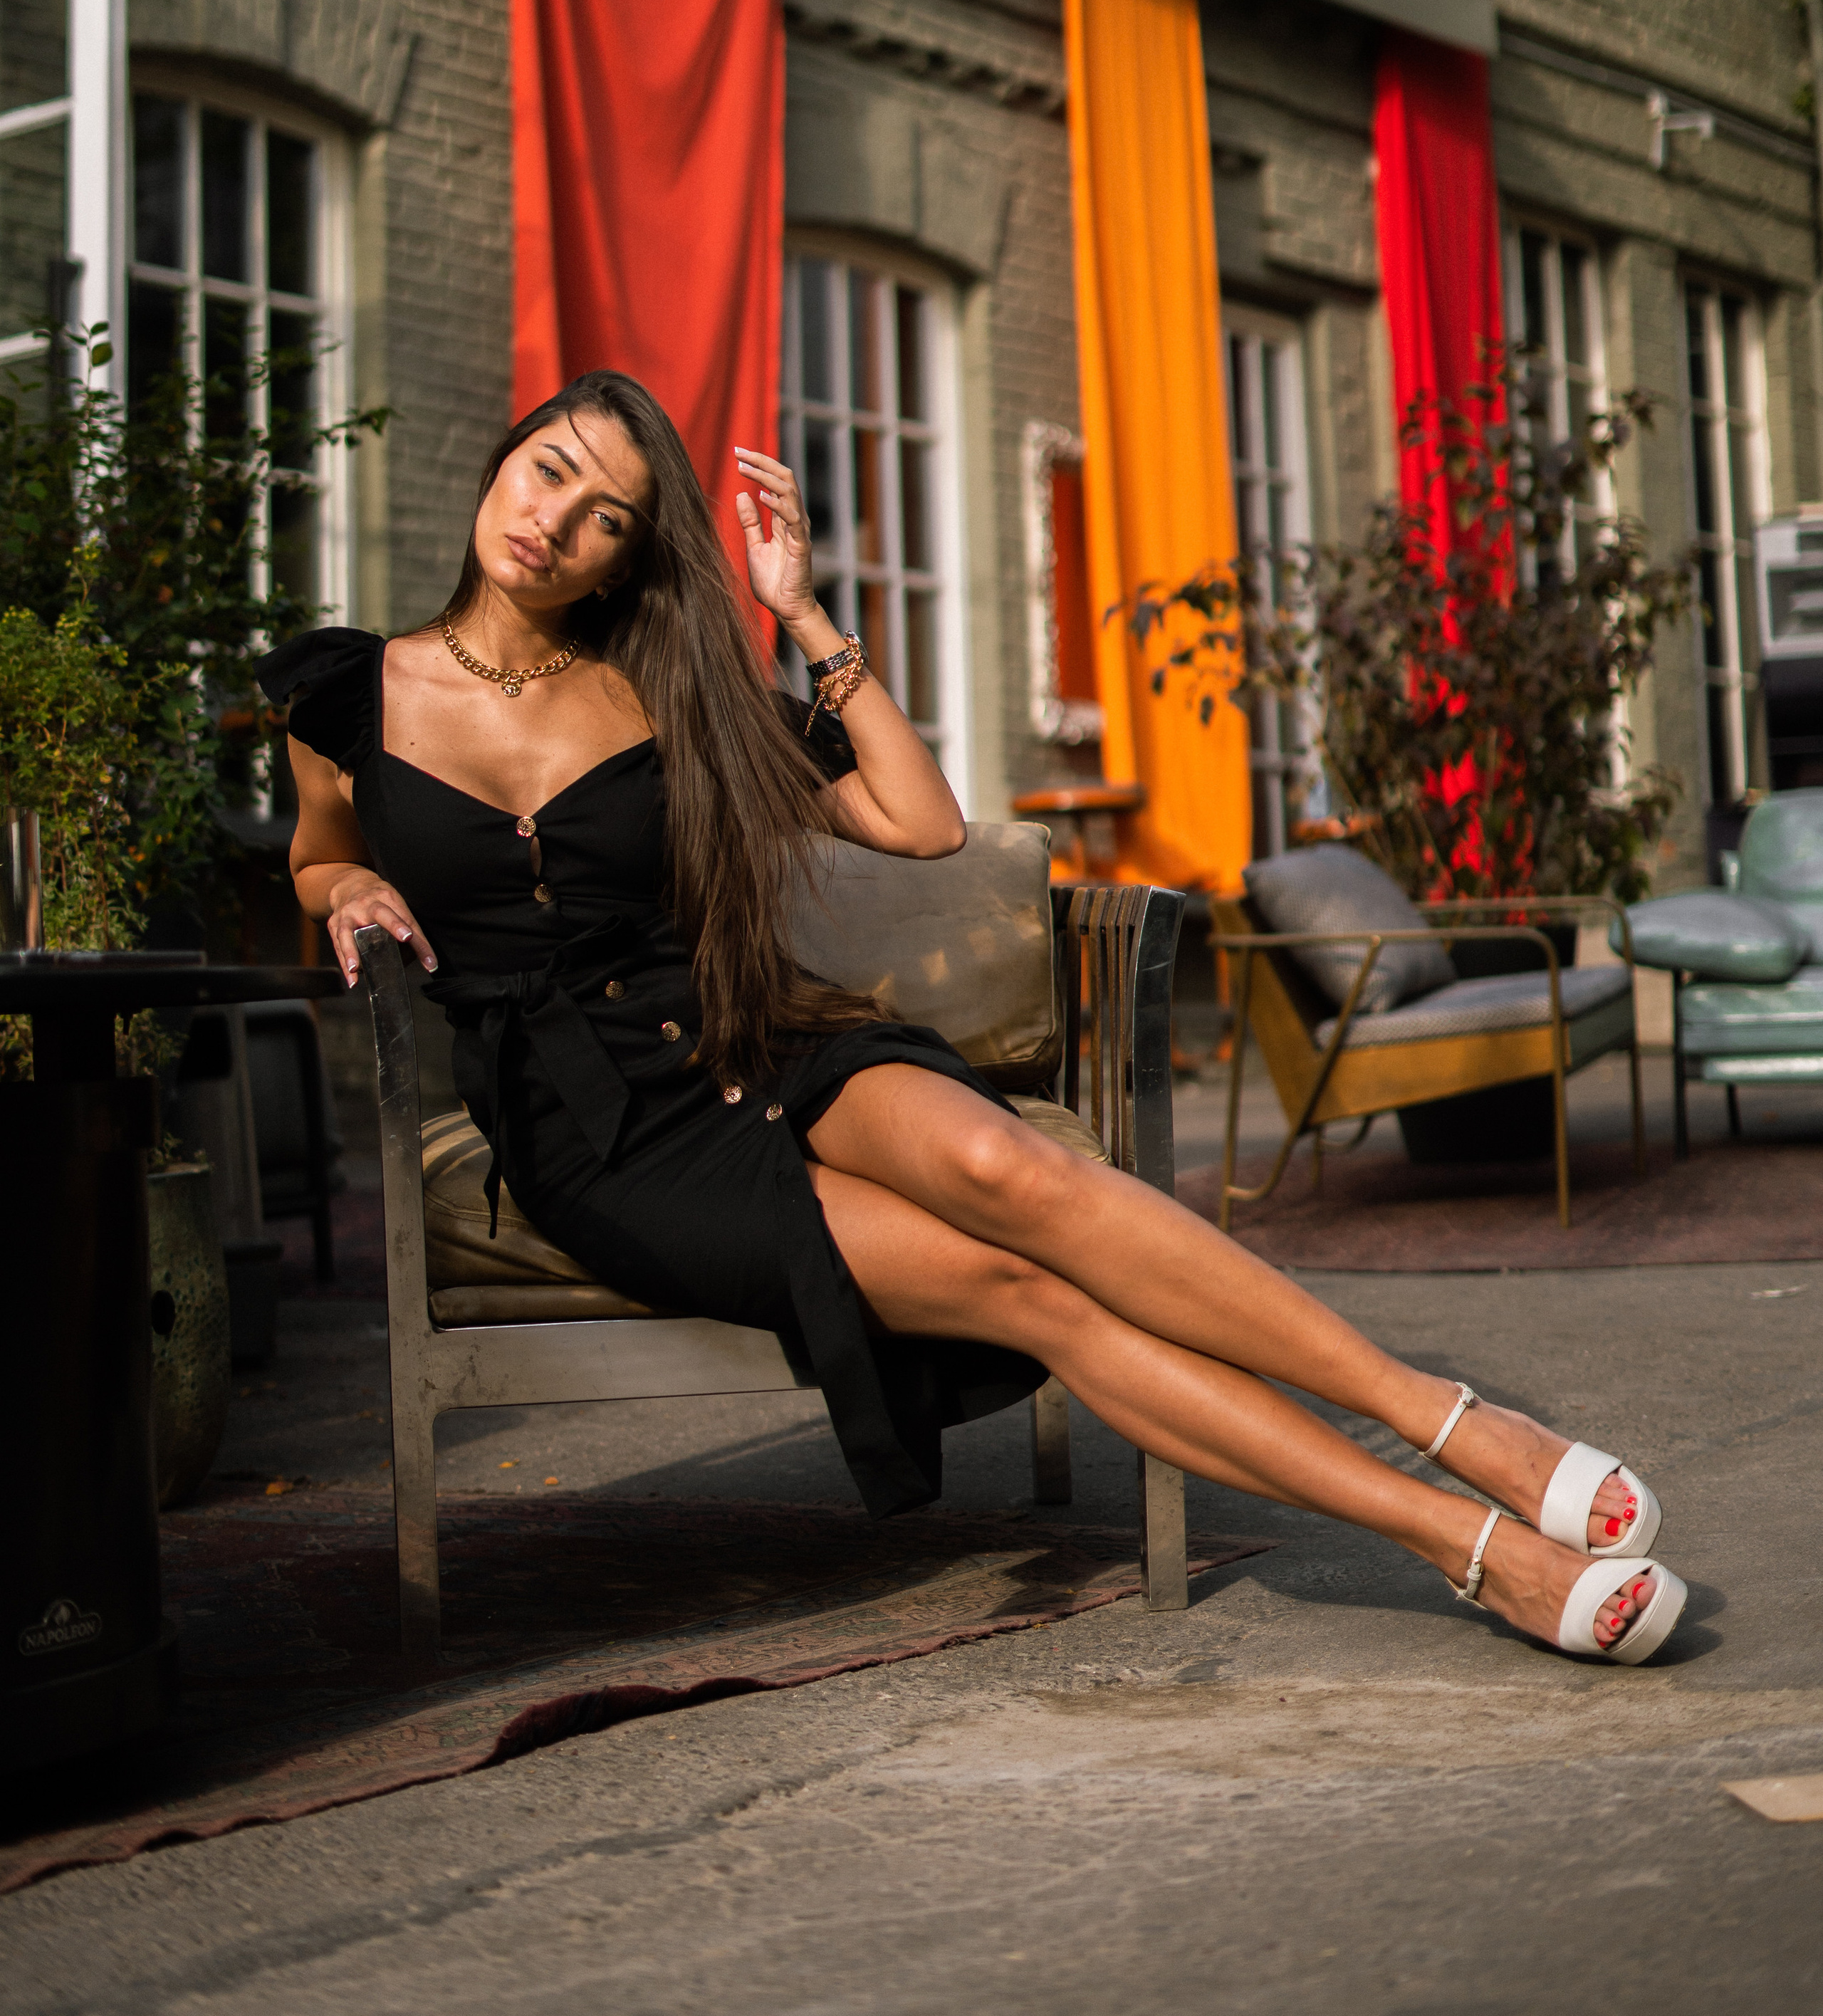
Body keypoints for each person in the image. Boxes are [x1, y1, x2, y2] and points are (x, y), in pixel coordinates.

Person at [258, 369, 1687, 1667]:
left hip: (755, 1037)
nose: (557, 518)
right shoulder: (344, 692)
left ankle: (1466, 1429)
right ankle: (1470, 1548)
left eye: (607, 515)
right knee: (1027, 1293)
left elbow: (920, 821)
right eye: (548, 471)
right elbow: (319, 848)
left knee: (1022, 1171)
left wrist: (802, 615)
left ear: (632, 555)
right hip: (602, 1134)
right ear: (503, 461)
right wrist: (345, 889)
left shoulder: (668, 691)